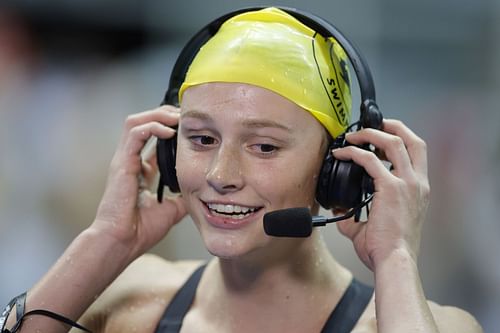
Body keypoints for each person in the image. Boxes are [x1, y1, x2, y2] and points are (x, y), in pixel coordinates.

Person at [2, 7, 482, 333]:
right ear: (168, 150)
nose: (221, 173)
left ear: (337, 167)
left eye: (265, 146)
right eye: (202, 138)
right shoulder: (130, 300)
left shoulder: (426, 322)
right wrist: (105, 240)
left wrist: (396, 257)